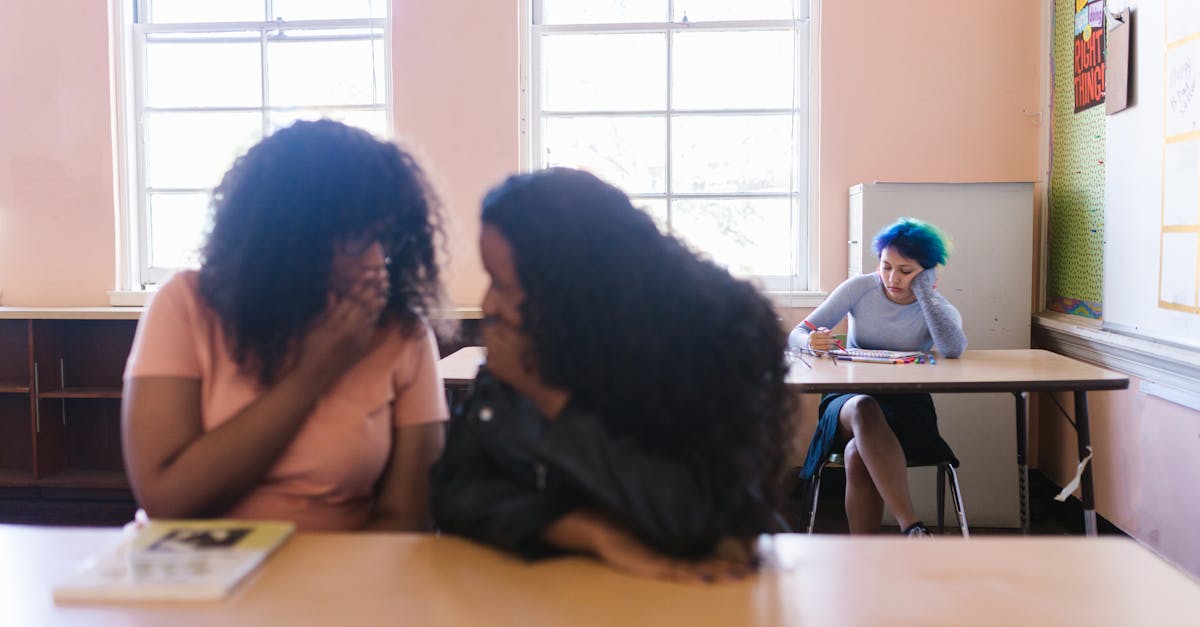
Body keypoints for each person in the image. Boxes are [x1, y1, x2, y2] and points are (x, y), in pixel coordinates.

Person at [431, 168, 793, 583]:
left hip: (699, 593)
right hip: (556, 589)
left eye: (503, 284)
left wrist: (550, 400)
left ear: (569, 287)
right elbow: (454, 490)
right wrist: (590, 533)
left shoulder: (711, 335)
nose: (488, 305)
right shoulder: (531, 345)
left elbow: (695, 520)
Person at [121, 119, 448, 532]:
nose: (374, 263)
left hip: (339, 578)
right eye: (354, 241)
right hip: (195, 570)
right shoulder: (185, 304)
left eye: (384, 239)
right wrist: (313, 373)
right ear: (287, 241)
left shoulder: (401, 334)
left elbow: (406, 519)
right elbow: (167, 499)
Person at [789, 217, 967, 536]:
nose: (892, 278)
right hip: (848, 399)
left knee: (857, 453)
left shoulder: (937, 307)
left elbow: (953, 349)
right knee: (864, 408)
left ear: (927, 273)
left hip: (907, 405)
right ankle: (912, 528)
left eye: (906, 270)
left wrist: (924, 294)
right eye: (886, 266)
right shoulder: (861, 288)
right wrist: (809, 341)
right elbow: (797, 333)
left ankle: (866, 557)